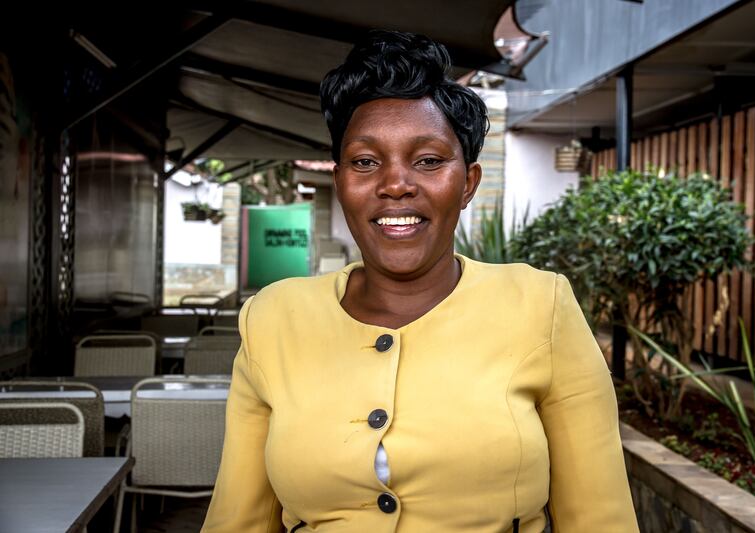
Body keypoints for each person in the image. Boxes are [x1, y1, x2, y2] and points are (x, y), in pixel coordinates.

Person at [201, 30, 638, 533]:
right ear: (340, 179)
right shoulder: (272, 318)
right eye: (365, 162)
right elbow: (239, 519)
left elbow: (600, 519)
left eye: (428, 160)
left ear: (468, 183)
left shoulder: (540, 305)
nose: (395, 185)